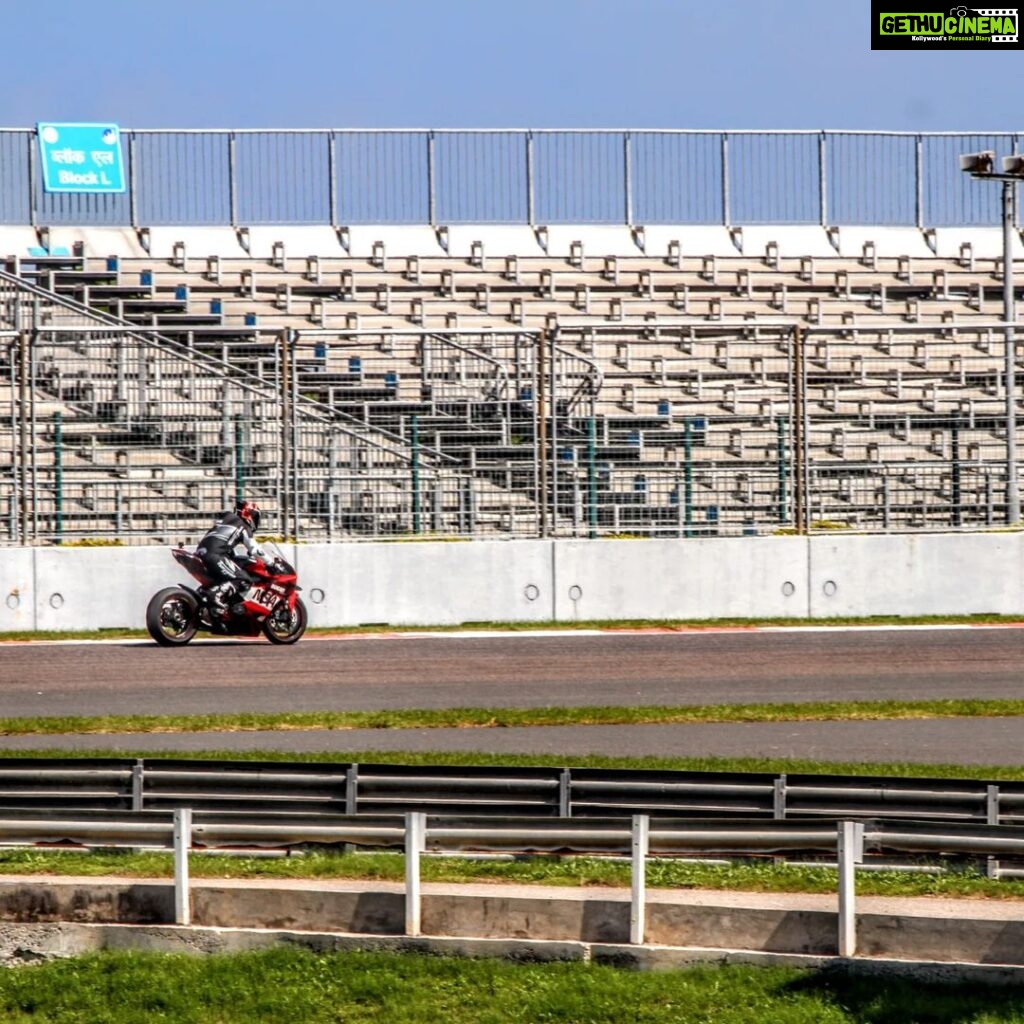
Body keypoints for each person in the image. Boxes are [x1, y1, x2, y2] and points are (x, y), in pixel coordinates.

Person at [195, 500, 264, 614]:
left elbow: (221, 542)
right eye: (253, 516)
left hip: (201, 552)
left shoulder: (226, 519)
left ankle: (203, 598)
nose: (254, 520)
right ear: (247, 513)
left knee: (221, 579)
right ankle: (215, 595)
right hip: (214, 555)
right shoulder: (242, 526)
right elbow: (254, 549)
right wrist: (271, 563)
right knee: (244, 579)